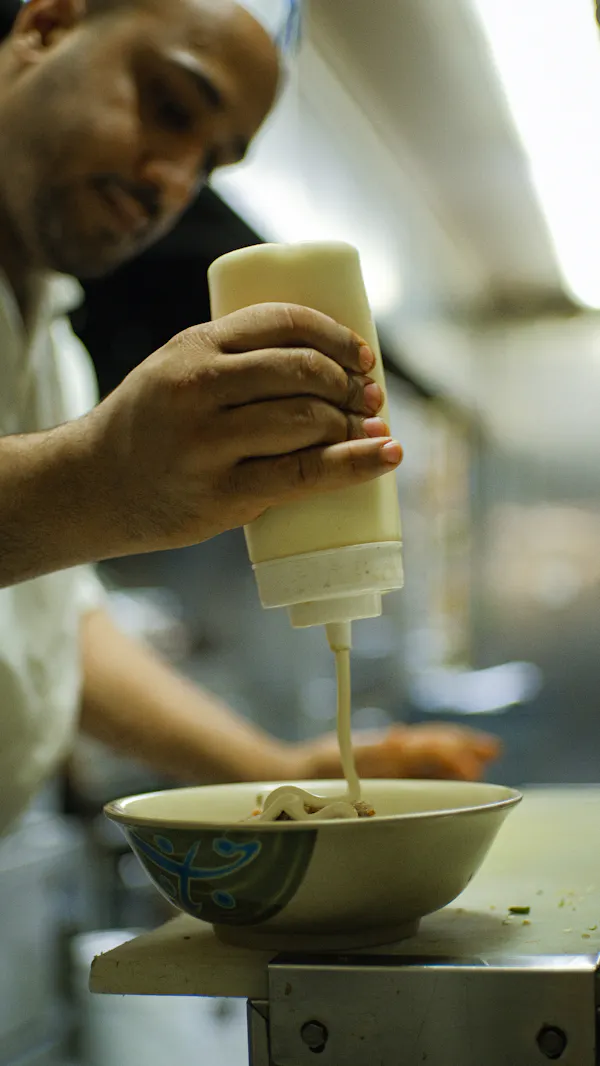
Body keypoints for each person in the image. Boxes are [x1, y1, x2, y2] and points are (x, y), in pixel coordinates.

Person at [0, 0, 500, 835]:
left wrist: (276, 769)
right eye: (169, 106)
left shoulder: (53, 348)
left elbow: (54, 625)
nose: (172, 179)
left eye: (210, 163)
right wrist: (97, 480)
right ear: (48, 24)